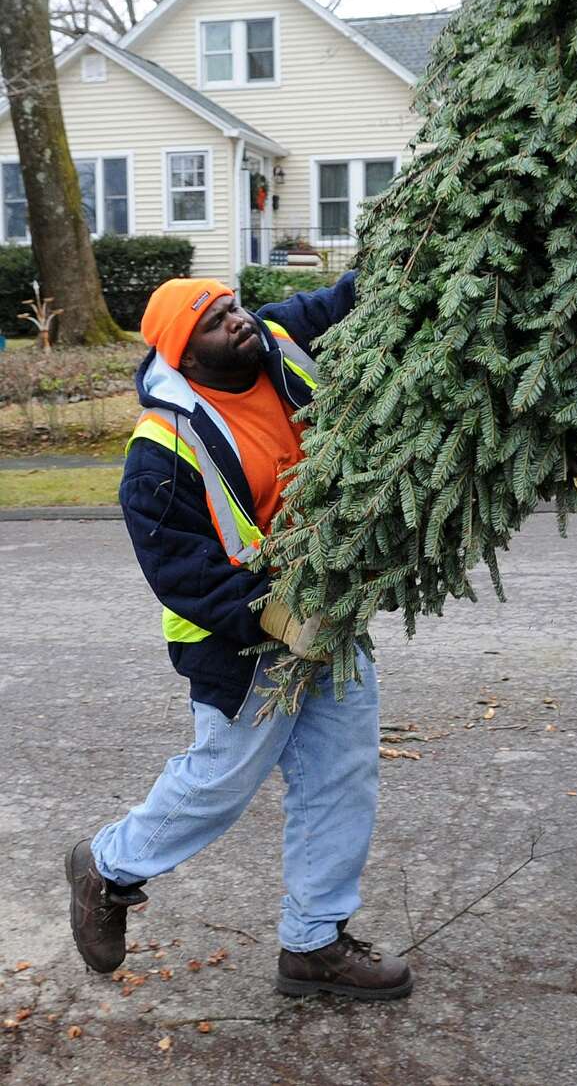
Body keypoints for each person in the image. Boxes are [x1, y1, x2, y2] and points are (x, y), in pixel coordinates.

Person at [64, 273, 412, 1002]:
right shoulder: (160, 453)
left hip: (328, 605)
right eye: (216, 322)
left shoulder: (281, 337)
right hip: (234, 638)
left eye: (232, 306)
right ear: (187, 357)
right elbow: (182, 572)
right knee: (222, 780)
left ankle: (314, 941)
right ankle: (106, 864)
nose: (237, 321)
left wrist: (402, 238)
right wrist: (274, 615)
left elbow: (360, 294)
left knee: (342, 769)